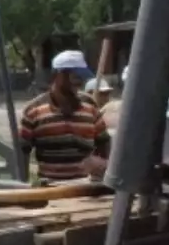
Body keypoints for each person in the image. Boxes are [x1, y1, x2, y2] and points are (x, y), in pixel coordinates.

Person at [19, 50, 111, 183]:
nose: (79, 82)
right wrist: (22, 184)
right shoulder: (33, 110)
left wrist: (102, 169)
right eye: (74, 76)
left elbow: (103, 141)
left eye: (81, 77)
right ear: (58, 75)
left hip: (86, 187)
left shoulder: (90, 105)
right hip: (51, 188)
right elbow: (23, 151)